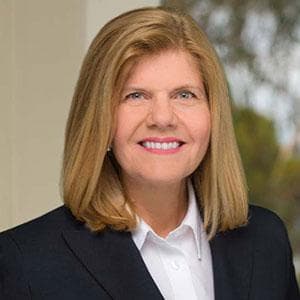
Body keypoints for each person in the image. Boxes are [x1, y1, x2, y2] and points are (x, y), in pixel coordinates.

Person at [0, 6, 299, 300]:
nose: (162, 117)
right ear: (99, 120)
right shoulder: (25, 262)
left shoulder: (265, 242)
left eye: (184, 94)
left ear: (212, 114)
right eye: (135, 95)